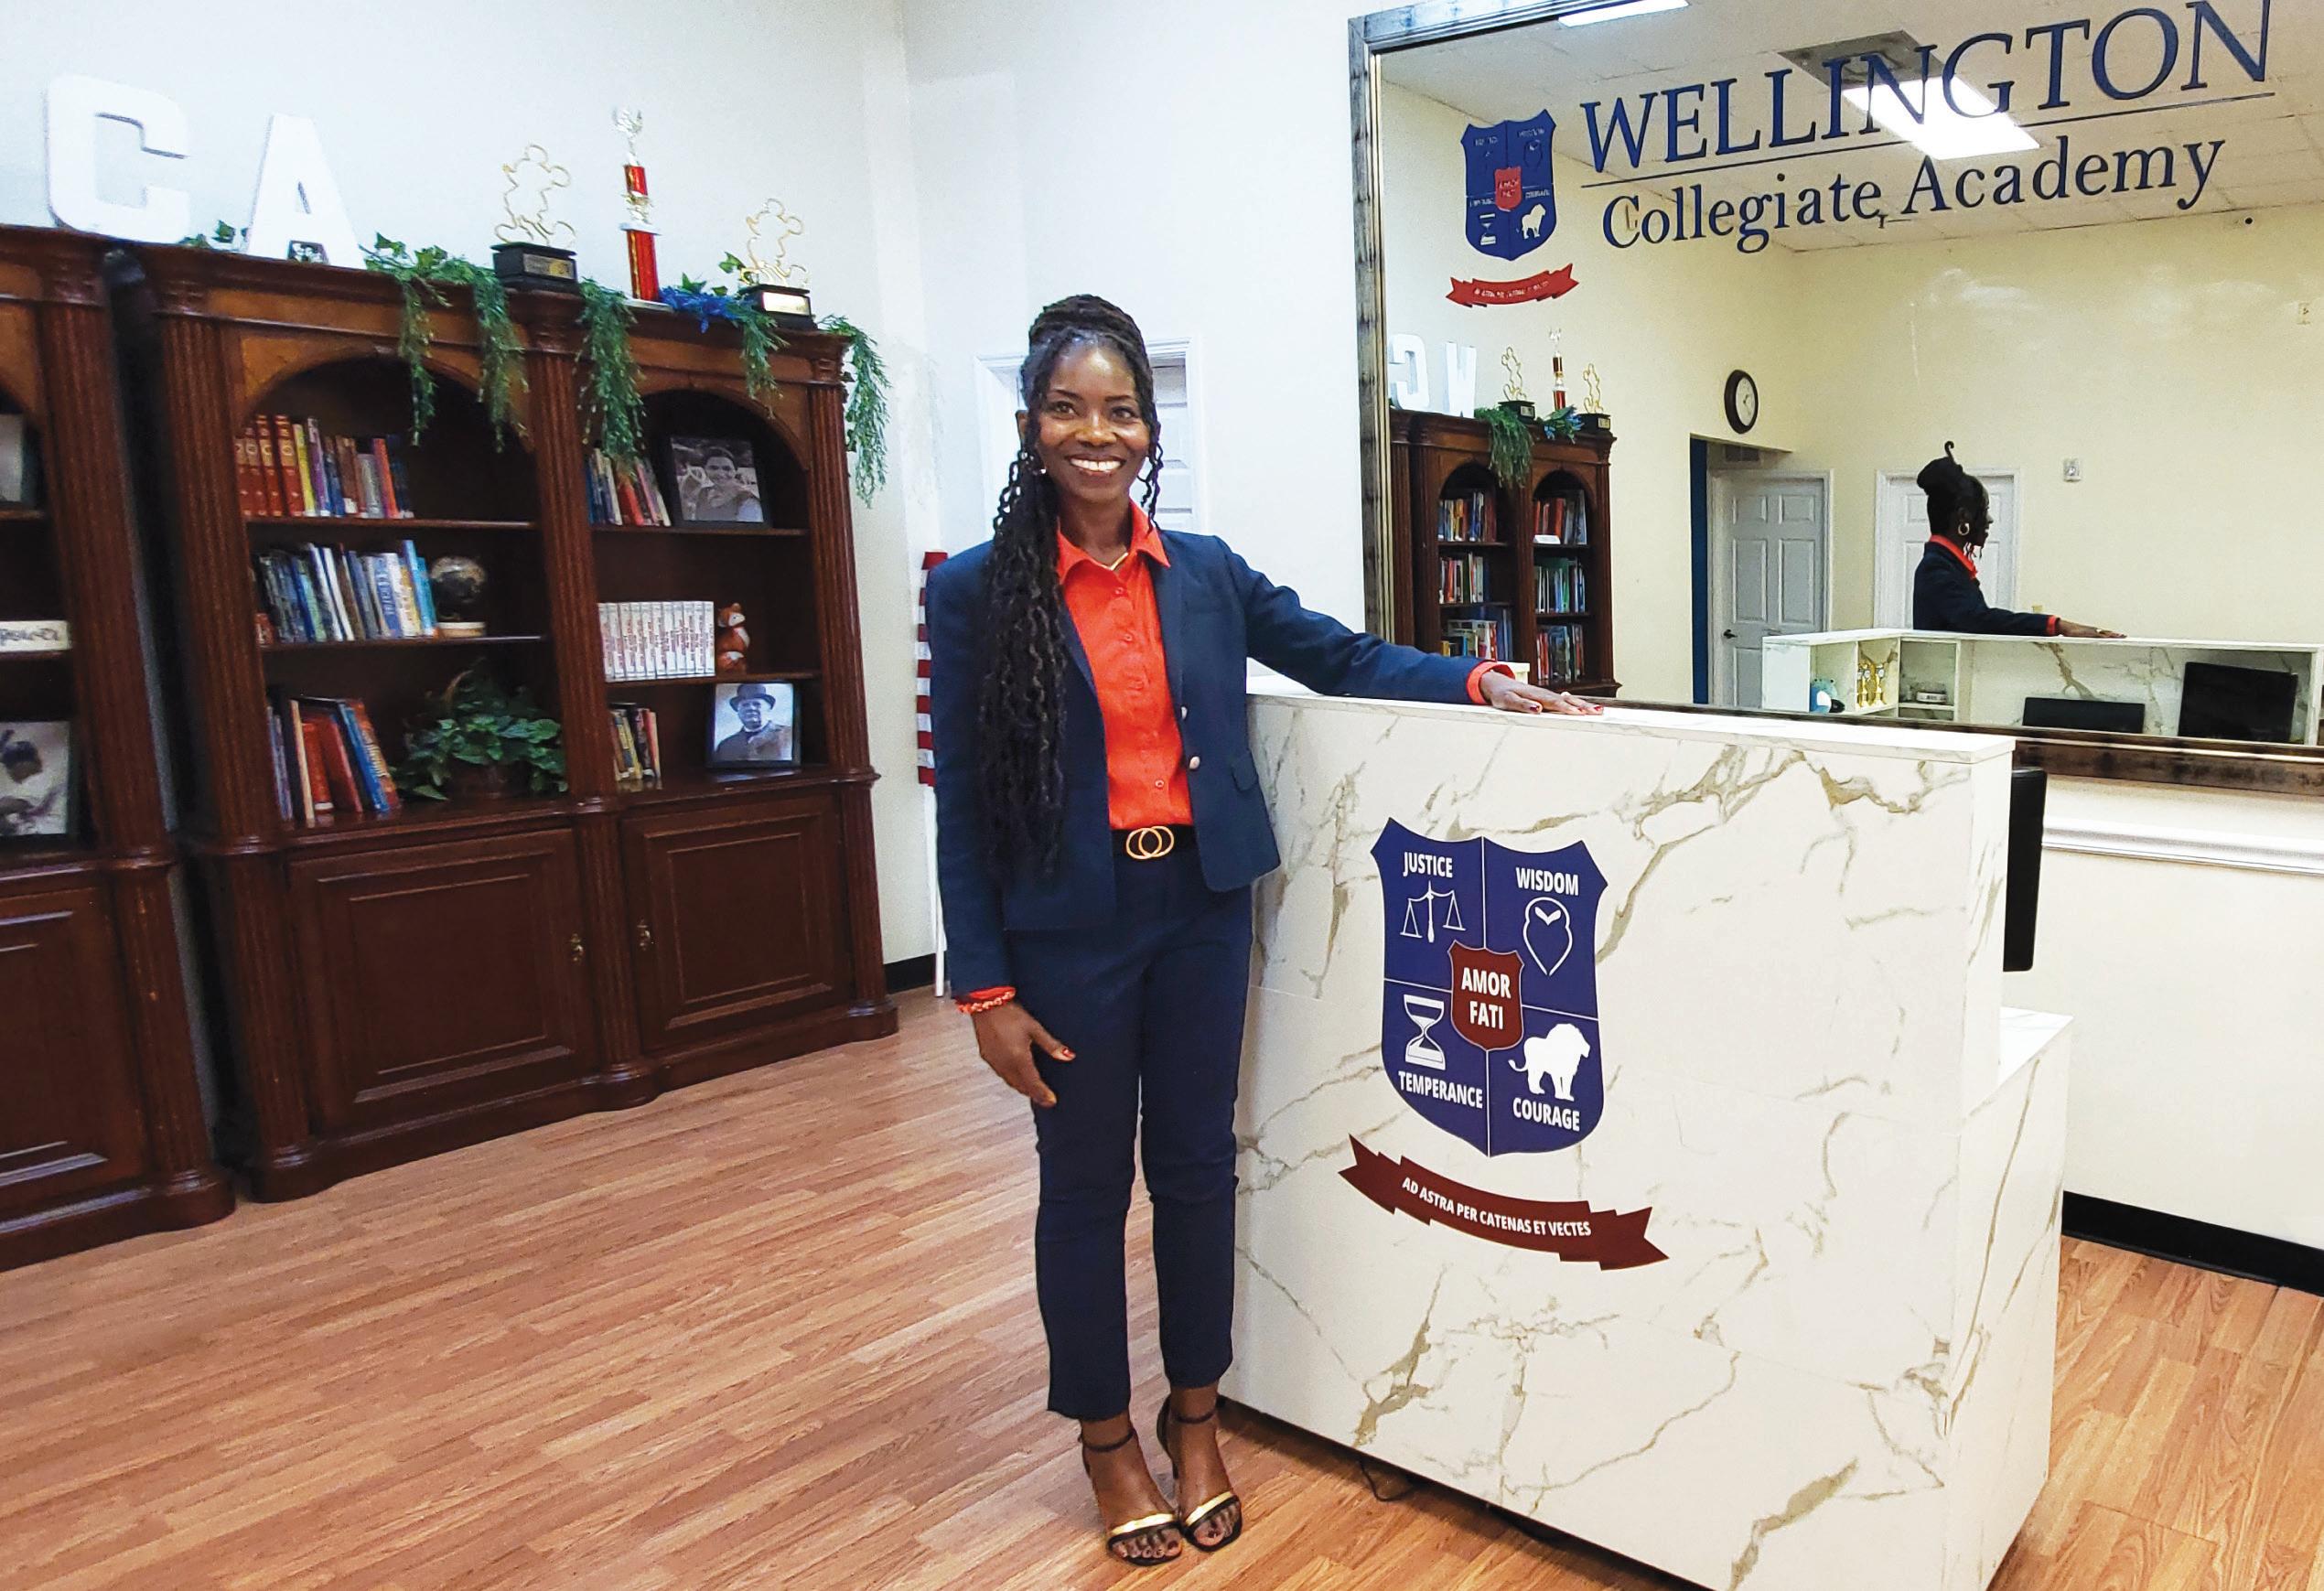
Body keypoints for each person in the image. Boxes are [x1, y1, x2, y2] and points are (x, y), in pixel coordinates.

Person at [925, 294, 1599, 1568]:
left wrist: (1475, 677)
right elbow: (961, 795)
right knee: (1083, 1189)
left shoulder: (1206, 573)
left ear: (1149, 428)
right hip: (1064, 932)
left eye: (1120, 410)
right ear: (1029, 426)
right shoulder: (972, 592)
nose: (1096, 432)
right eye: (1068, 408)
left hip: (1199, 907)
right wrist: (984, 987)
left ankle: (1194, 1416)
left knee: (1196, 1168)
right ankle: (1104, 1436)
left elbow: (1335, 656)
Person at [1912, 444, 2118, 637]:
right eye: (1983, 511)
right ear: (1963, 517)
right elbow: (1978, 619)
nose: (1989, 520)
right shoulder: (1936, 567)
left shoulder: (1947, 565)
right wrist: (2058, 625)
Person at [711, 683, 790, 763]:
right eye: (745, 705)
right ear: (738, 711)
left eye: (757, 704)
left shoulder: (788, 735)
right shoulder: (726, 746)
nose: (751, 708)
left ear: (768, 708)